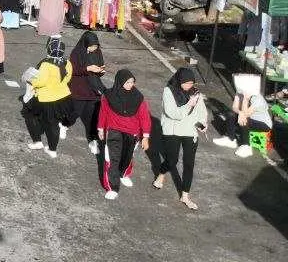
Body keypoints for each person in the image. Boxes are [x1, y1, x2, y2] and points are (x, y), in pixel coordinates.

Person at [153, 67, 207, 209]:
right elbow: (173, 114)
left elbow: (201, 110)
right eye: (186, 83)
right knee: (172, 160)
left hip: (190, 131)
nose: (189, 86)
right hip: (173, 130)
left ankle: (185, 195)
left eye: (192, 83)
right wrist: (189, 104)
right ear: (179, 81)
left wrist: (203, 123)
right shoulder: (168, 91)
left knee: (189, 163)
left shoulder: (195, 92)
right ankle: (162, 172)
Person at [97, 69, 151, 200]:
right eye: (127, 82)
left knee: (127, 156)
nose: (130, 85)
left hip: (132, 133)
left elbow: (144, 117)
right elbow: (103, 112)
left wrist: (146, 136)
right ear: (120, 82)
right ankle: (112, 187)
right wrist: (100, 129)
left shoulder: (138, 98)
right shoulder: (109, 96)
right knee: (112, 159)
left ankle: (124, 174)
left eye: (132, 82)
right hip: (114, 131)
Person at [24, 38, 74, 158]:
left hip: (46, 98)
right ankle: (52, 149)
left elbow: (40, 81)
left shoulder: (46, 64)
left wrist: (29, 79)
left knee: (30, 115)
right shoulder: (67, 63)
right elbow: (68, 79)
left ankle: (37, 141)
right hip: (62, 98)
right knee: (54, 124)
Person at [212, 73, 273, 158]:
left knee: (244, 120)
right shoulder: (239, 92)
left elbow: (246, 114)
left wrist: (245, 99)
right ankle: (230, 139)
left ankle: (246, 146)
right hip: (249, 118)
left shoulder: (258, 99)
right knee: (231, 114)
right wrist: (239, 112)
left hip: (263, 124)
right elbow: (234, 107)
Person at [68, 31, 107, 154]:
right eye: (91, 46)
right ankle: (65, 123)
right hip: (79, 88)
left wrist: (101, 71)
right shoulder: (76, 53)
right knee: (75, 111)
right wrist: (88, 68)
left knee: (93, 117)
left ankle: (93, 140)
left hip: (93, 88)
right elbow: (72, 70)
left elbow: (100, 65)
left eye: (96, 46)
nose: (93, 49)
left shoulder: (97, 52)